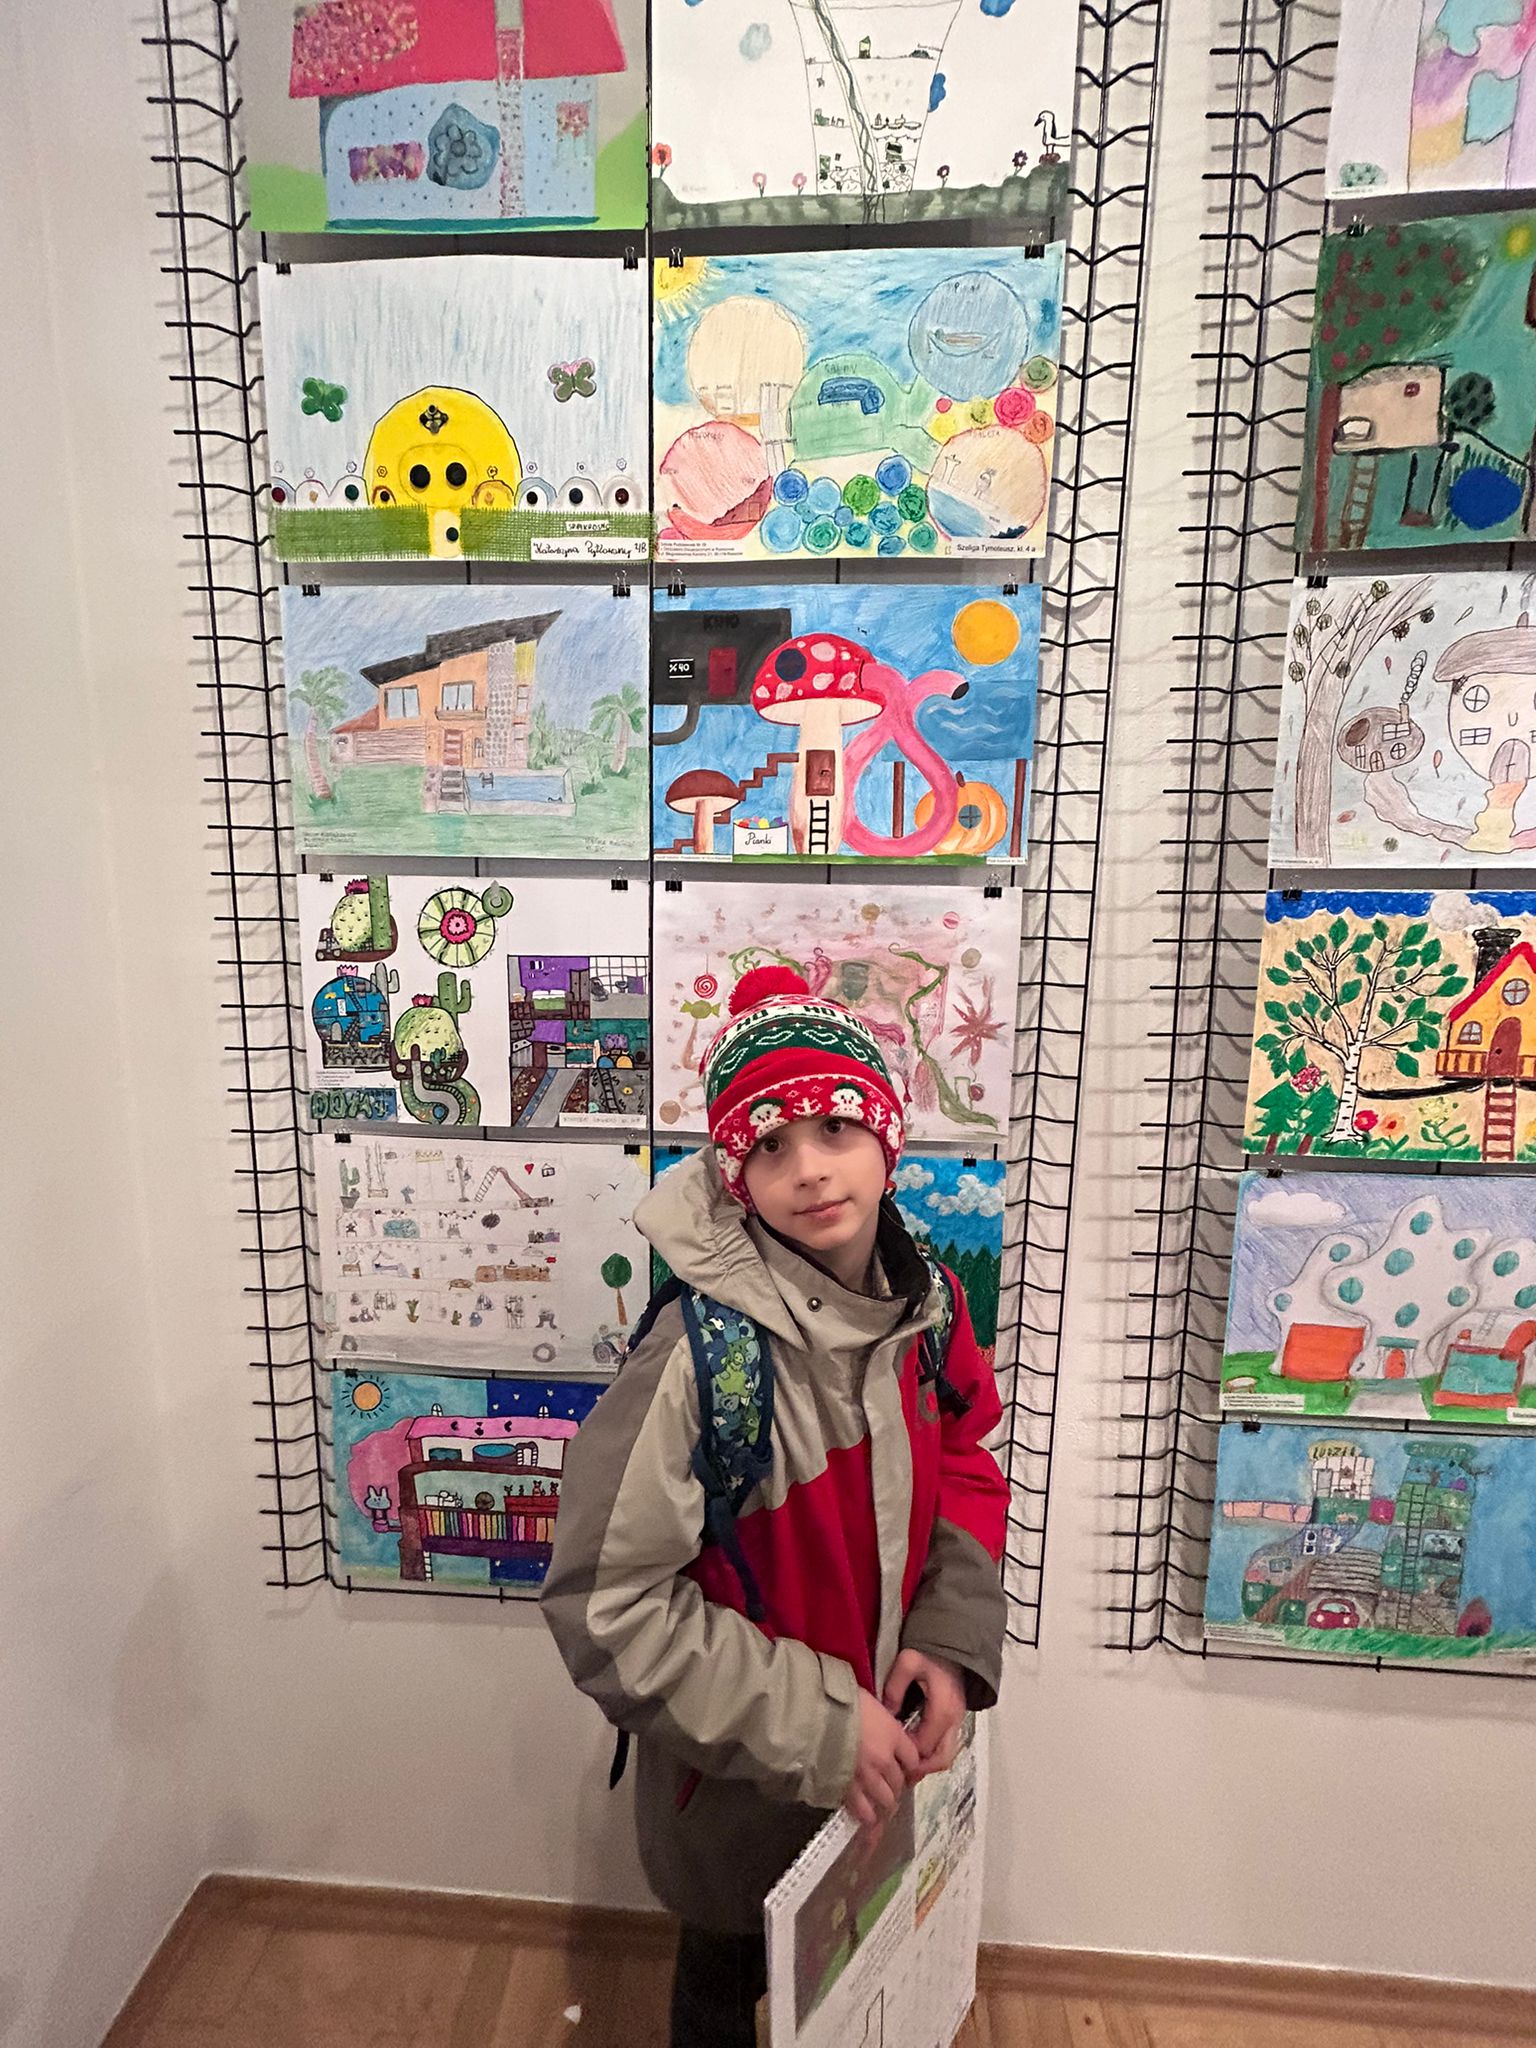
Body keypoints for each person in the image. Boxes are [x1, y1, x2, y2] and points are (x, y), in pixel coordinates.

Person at [541, 965, 1010, 2048]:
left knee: (853, 1995)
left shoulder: (931, 1307)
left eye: (837, 1125)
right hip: (739, 1795)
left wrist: (948, 1641)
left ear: (888, 1138)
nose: (809, 1167)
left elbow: (966, 1460)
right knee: (724, 1983)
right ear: (735, 1172)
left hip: (890, 1776)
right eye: (769, 1143)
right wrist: (820, 1727)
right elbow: (606, 1607)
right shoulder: (696, 1356)